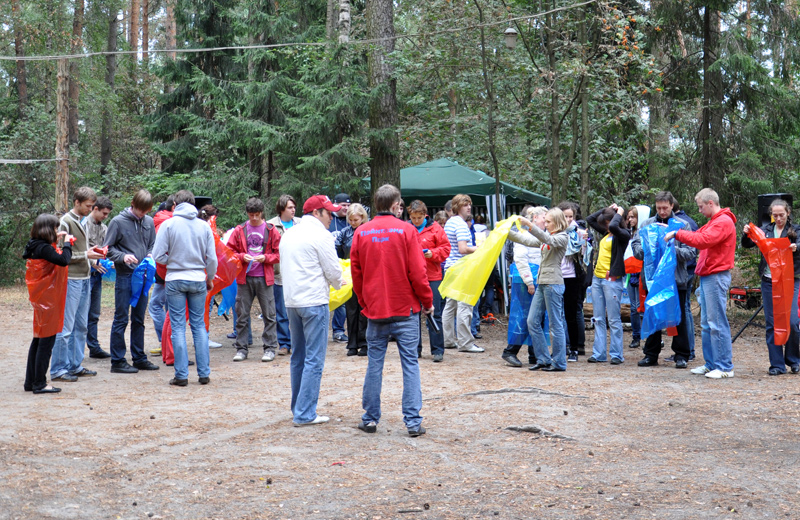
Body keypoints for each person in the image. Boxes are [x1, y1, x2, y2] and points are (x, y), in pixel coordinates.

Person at [351, 184, 433, 437]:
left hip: (376, 309)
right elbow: (418, 273)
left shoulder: (362, 232)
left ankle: (370, 418)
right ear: (396, 205)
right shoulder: (407, 231)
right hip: (405, 308)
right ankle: (412, 422)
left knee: (374, 364)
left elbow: (356, 274)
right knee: (410, 364)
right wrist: (427, 301)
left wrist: (365, 301)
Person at [280, 195, 345, 426]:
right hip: (314, 301)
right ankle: (305, 413)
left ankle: (298, 406)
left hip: (292, 302)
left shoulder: (289, 234)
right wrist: (341, 283)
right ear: (316, 213)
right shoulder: (321, 235)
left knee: (298, 356)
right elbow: (333, 270)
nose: (332, 217)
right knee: (314, 359)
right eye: (329, 213)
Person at [666, 188, 737, 379]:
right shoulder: (714, 221)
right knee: (706, 324)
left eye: (700, 207)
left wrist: (677, 234)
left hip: (716, 276)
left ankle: (724, 367)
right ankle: (712, 364)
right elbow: (700, 236)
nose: (699, 211)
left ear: (710, 203)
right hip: (708, 276)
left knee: (716, 322)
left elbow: (702, 240)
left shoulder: (723, 222)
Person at [152, 190, 218, 386]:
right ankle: (204, 373)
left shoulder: (168, 224)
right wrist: (210, 277)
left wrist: (173, 261)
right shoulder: (203, 226)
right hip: (198, 277)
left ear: (175, 204)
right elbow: (212, 258)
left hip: (175, 278)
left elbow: (157, 255)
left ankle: (181, 375)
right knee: (199, 327)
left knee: (178, 327)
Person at [631, 192, 696, 369]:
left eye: (665, 208)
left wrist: (670, 250)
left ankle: (682, 354)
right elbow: (635, 246)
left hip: (676, 279)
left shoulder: (682, 225)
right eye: (658, 208)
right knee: (653, 314)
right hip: (653, 280)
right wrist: (649, 249)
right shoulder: (646, 224)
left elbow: (691, 252)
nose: (662, 211)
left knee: (679, 317)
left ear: (672, 206)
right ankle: (651, 354)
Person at [51, 187, 105, 382]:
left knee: (81, 326)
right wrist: (86, 255)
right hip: (71, 279)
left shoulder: (82, 221)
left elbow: (81, 249)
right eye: (88, 206)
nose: (90, 209)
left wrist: (93, 256)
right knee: (66, 327)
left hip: (84, 278)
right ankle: (58, 368)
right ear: (77, 202)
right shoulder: (65, 222)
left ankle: (75, 365)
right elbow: (60, 254)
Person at [104, 189, 160, 374]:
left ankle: (139, 357)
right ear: (132, 204)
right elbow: (107, 249)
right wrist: (123, 257)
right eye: (140, 211)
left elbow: (152, 243)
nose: (142, 214)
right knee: (121, 318)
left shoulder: (149, 222)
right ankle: (118, 360)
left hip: (143, 277)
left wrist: (151, 254)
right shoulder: (117, 222)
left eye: (146, 211)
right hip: (125, 276)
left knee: (139, 319)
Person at [741, 198, 800, 375]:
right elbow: (747, 244)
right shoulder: (765, 230)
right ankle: (777, 364)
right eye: (775, 215)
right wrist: (746, 233)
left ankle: (794, 360)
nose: (778, 218)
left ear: (788, 213)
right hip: (768, 281)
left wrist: (796, 247)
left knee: (791, 321)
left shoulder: (796, 229)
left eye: (781, 215)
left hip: (791, 280)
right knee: (772, 322)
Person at [508, 208, 570, 371]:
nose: (546, 224)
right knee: (532, 321)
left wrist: (529, 225)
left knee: (555, 325)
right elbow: (526, 241)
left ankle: (559, 362)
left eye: (549, 221)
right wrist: (505, 232)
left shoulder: (562, 237)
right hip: (542, 283)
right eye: (546, 221)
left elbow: (547, 240)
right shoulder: (547, 237)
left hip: (553, 284)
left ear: (557, 222)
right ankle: (543, 358)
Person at [23, 215, 73, 394]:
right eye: (54, 228)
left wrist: (57, 239)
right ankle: (39, 383)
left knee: (38, 340)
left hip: (42, 300)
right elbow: (63, 260)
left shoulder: (35, 244)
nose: (56, 231)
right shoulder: (43, 248)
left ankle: (31, 382)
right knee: (46, 341)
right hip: (48, 300)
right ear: (47, 229)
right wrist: (68, 243)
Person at [227, 197, 281, 362]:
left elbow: (279, 254)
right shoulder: (240, 230)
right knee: (242, 314)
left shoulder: (271, 230)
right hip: (245, 278)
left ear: (262, 213)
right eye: (251, 215)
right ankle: (241, 349)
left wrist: (266, 258)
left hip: (265, 278)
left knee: (269, 315)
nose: (255, 218)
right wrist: (243, 256)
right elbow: (229, 252)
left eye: (257, 215)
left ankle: (270, 348)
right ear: (247, 214)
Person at [586, 204, 631, 364]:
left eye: (607, 222)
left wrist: (619, 213)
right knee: (598, 318)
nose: (605, 226)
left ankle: (616, 355)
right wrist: (607, 208)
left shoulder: (623, 234)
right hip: (597, 279)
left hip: (612, 280)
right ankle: (599, 354)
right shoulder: (607, 233)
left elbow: (613, 225)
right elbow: (590, 219)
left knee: (613, 319)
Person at [408, 200, 450, 362]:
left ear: (425, 215)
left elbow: (446, 249)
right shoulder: (407, 229)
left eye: (419, 217)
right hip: (412, 277)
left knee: (434, 312)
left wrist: (432, 254)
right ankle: (415, 349)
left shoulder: (436, 229)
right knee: (413, 314)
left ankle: (438, 350)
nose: (416, 220)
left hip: (433, 276)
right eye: (413, 217)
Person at [502, 206, 543, 367]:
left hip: (535, 279)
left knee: (536, 317)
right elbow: (519, 259)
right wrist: (529, 281)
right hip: (525, 280)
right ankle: (510, 351)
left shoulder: (540, 236)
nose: (546, 220)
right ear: (534, 219)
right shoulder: (524, 234)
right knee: (524, 317)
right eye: (543, 217)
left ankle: (534, 354)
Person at [442, 194, 483, 353]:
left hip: (451, 268)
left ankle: (448, 340)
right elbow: (463, 249)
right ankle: (466, 343)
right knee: (465, 306)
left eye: (469, 205)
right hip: (461, 268)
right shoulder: (460, 224)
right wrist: (482, 248)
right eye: (466, 205)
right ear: (458, 207)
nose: (469, 208)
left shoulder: (450, 222)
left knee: (450, 306)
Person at [267, 194, 301, 356]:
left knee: (297, 310)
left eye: (294, 207)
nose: (293, 210)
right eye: (290, 207)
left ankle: (297, 342)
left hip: (298, 273)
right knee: (281, 311)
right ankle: (284, 343)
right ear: (281, 209)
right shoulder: (271, 225)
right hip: (279, 274)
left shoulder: (300, 224)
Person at [335, 203, 370, 357]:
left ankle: (364, 343)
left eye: (356, 219)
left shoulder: (369, 231)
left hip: (366, 274)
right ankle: (352, 343)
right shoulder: (344, 232)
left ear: (362, 217)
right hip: (350, 275)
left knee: (364, 310)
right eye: (351, 220)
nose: (353, 222)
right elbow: (336, 250)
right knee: (351, 310)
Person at [558, 202, 588, 362]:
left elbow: (585, 256)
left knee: (571, 313)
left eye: (571, 216)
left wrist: (584, 242)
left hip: (572, 277)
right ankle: (559, 348)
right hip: (556, 276)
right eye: (565, 216)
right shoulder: (553, 231)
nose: (569, 219)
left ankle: (574, 349)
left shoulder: (579, 232)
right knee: (557, 315)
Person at [85, 196, 113, 359]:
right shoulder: (83, 225)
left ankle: (94, 347)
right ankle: (74, 350)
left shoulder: (104, 228)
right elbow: (78, 249)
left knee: (94, 314)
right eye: (103, 213)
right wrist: (91, 260)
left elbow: (107, 249)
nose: (105, 216)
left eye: (107, 214)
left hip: (97, 275)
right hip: (83, 274)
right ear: (95, 209)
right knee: (79, 314)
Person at [672, 200, 700, 362]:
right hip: (688, 270)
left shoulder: (683, 223)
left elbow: (692, 249)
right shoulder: (691, 221)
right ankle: (688, 349)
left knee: (684, 310)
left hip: (684, 271)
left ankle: (688, 350)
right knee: (685, 309)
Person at [148, 195, 175, 359]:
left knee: (158, 307)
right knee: (165, 308)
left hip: (165, 273)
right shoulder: (170, 221)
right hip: (168, 272)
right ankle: (165, 343)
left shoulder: (159, 221)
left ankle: (164, 343)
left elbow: (159, 252)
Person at [624, 204, 650, 351]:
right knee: (633, 307)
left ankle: (649, 336)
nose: (630, 220)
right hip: (631, 273)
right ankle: (636, 336)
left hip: (643, 273)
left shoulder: (646, 232)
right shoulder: (629, 234)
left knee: (644, 306)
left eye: (633, 217)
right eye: (629, 217)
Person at [330, 193, 351, 343]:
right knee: (339, 299)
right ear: (335, 204)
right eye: (343, 205)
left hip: (349, 263)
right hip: (333, 263)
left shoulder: (352, 221)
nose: (346, 208)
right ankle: (337, 330)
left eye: (348, 205)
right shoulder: (329, 220)